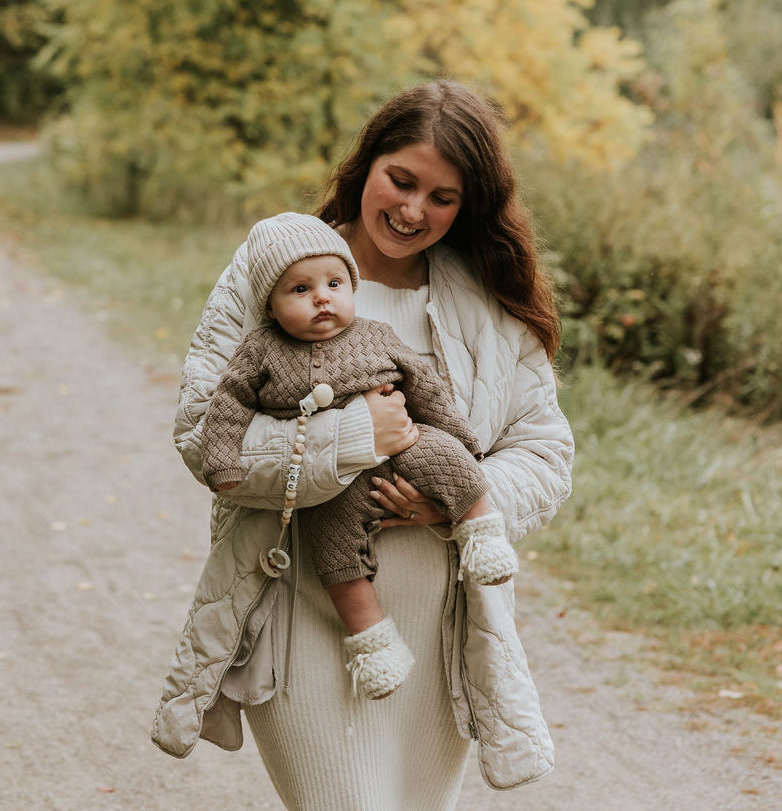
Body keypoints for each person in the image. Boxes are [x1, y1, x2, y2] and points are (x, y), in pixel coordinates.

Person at [152, 80, 574, 810]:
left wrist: (449, 500)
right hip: (302, 608)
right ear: (366, 165)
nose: (413, 211)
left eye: (441, 198)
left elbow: (543, 453)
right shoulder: (276, 267)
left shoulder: (487, 304)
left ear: (467, 207)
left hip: (438, 629)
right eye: (401, 180)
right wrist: (351, 438)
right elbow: (204, 435)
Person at [200, 211, 519, 701]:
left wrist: (461, 440)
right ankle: (372, 643)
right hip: (330, 483)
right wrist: (223, 461)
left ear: (351, 287)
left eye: (333, 283)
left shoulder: (376, 335)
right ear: (270, 305)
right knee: (336, 557)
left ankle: (482, 532)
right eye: (299, 291)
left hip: (408, 442)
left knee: (448, 461)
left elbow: (425, 387)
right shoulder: (260, 350)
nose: (321, 297)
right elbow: (228, 405)